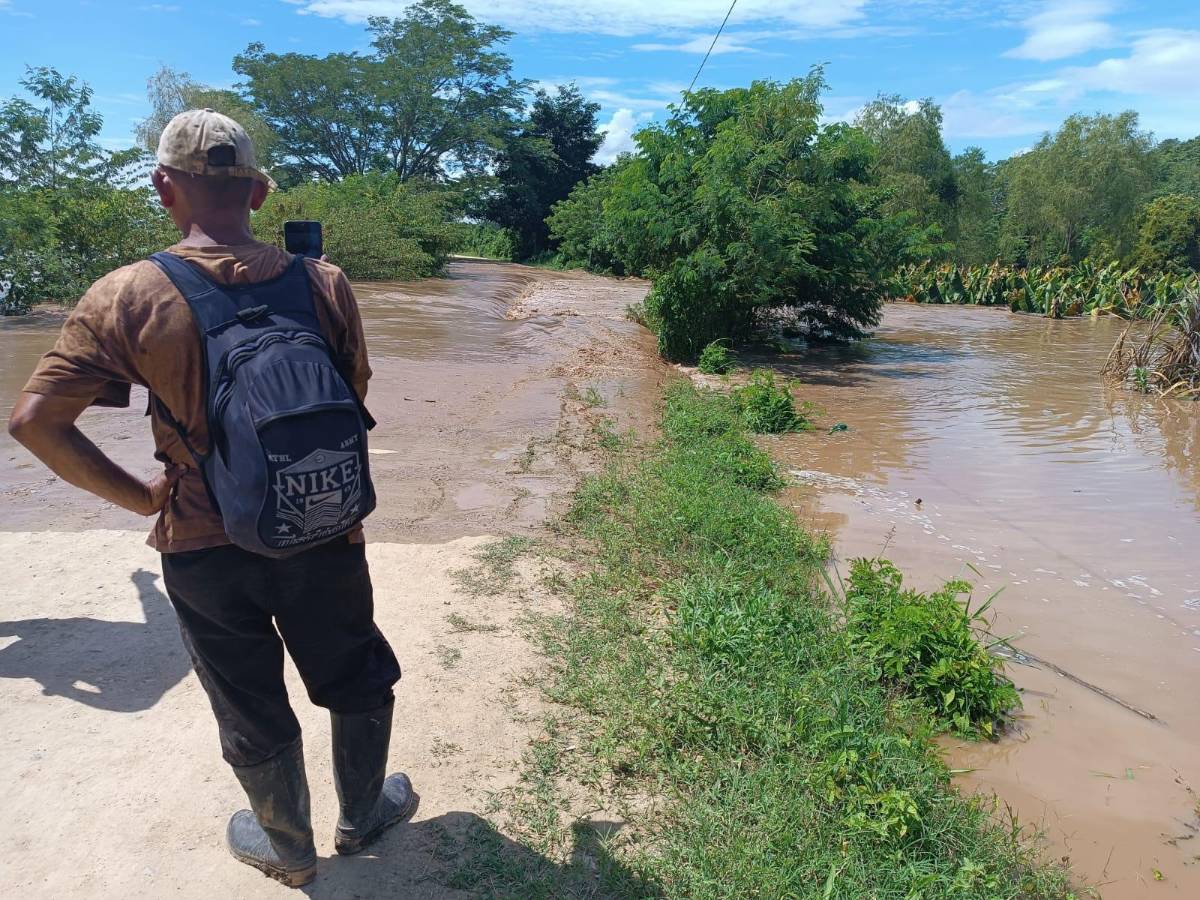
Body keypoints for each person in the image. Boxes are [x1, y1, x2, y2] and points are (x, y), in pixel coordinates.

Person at [7, 109, 413, 888]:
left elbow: (34, 423)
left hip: (200, 541)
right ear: (257, 193)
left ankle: (288, 849)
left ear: (165, 188)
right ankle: (363, 816)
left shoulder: (127, 295)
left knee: (247, 697)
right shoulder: (323, 282)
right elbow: (353, 395)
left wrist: (138, 498)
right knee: (354, 672)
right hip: (322, 528)